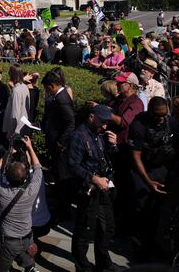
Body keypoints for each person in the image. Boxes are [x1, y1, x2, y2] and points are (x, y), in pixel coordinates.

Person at [128, 96, 179, 260]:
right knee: (142, 210)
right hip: (144, 170)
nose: (160, 119)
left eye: (163, 115)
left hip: (164, 169)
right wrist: (147, 181)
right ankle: (141, 248)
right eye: (157, 115)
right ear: (150, 112)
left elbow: (177, 147)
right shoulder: (138, 125)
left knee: (162, 211)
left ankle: (158, 243)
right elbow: (135, 157)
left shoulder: (171, 122)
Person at [67, 104, 118, 272]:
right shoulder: (79, 136)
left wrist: (113, 146)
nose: (105, 126)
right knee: (84, 230)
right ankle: (82, 267)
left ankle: (104, 263)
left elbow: (104, 158)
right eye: (102, 122)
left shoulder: (99, 135)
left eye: (106, 123)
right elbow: (73, 166)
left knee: (107, 227)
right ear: (91, 117)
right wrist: (94, 179)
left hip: (104, 188)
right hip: (88, 190)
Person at [0, 135, 43, 272]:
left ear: (7, 176)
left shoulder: (0, 190)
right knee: (27, 258)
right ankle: (31, 268)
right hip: (27, 237)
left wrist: (7, 153)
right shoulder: (31, 191)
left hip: (9, 240)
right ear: (26, 176)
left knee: (1, 267)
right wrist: (30, 148)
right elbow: (38, 169)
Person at [40, 70, 75, 221]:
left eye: (47, 88)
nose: (46, 91)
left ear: (53, 86)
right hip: (55, 142)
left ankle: (64, 208)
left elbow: (70, 122)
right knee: (59, 175)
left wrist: (61, 142)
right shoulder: (58, 97)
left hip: (61, 146)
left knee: (63, 177)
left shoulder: (62, 99)